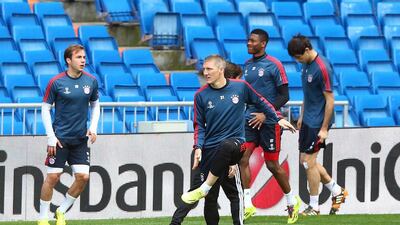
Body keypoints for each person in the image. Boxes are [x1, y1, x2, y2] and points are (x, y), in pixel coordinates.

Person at [180, 55, 296, 224]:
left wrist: (277, 118)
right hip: (212, 149)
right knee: (211, 200)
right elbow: (199, 126)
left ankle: (205, 188)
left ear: (221, 70)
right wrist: (198, 147)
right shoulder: (200, 95)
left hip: (236, 143)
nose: (205, 72)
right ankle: (205, 192)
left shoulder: (240, 87)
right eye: (204, 69)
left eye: (209, 69)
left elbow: (262, 102)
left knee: (228, 148)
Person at [169, 61, 243, 225]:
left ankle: (175, 222)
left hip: (220, 152)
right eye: (238, 78)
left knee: (209, 195)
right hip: (210, 153)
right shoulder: (211, 97)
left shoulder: (230, 99)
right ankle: (175, 222)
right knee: (215, 194)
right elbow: (201, 126)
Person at [240, 28, 301, 224]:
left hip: (269, 121)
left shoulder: (274, 65)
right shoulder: (247, 65)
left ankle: (292, 201)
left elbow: (285, 95)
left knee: (272, 164)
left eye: (252, 41)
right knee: (243, 158)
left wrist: (265, 113)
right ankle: (247, 204)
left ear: (263, 43)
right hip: (250, 119)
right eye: (248, 40)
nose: (249, 43)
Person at [37, 44, 100, 225]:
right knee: (53, 177)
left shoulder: (91, 81)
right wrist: (51, 136)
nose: (83, 61)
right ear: (68, 60)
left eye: (84, 57)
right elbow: (45, 108)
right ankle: (42, 218)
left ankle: (61, 211)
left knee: (83, 177)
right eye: (79, 57)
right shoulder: (56, 82)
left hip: (80, 139)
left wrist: (93, 127)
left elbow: (95, 104)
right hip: (60, 140)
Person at [287, 34, 348, 215]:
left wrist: (324, 129)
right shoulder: (306, 65)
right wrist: (302, 115)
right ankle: (337, 191)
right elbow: (308, 93)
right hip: (308, 119)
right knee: (306, 161)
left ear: (306, 50)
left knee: (308, 163)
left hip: (318, 123)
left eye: (299, 57)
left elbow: (330, 100)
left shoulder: (322, 68)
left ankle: (314, 206)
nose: (298, 61)